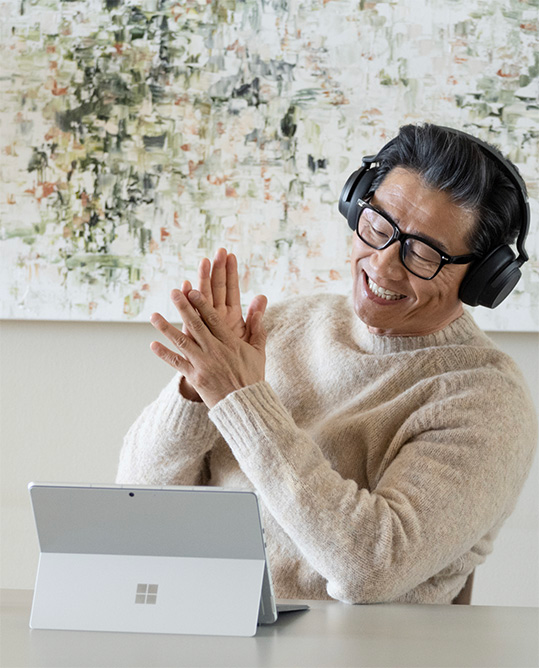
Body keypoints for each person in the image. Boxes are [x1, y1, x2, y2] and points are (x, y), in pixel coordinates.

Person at [116, 123, 537, 604]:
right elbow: (137, 502)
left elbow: (370, 569)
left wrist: (240, 401)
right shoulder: (284, 324)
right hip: (198, 626)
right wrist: (198, 389)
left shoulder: (485, 398)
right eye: (378, 226)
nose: (381, 265)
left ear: (482, 279)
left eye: (423, 252)